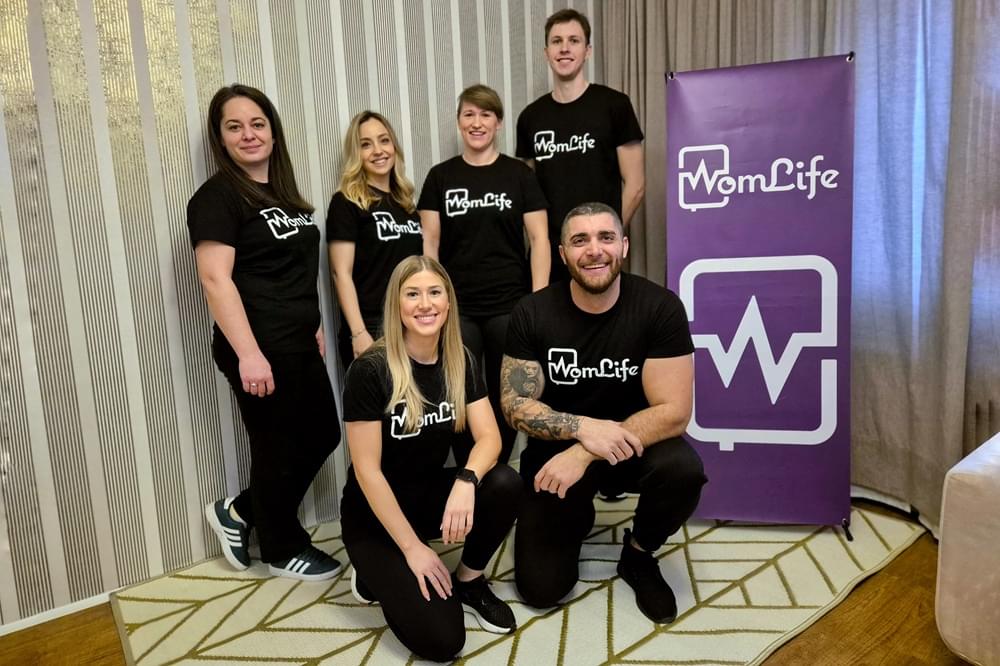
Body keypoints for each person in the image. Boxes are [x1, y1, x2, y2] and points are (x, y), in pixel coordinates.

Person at [500, 202, 707, 623]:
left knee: (683, 469)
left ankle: (639, 554)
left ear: (624, 246)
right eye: (580, 240)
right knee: (541, 590)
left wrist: (587, 450)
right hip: (556, 453)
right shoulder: (532, 312)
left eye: (606, 237)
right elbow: (515, 405)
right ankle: (576, 513)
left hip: (633, 446)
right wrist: (581, 430)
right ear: (563, 254)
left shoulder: (660, 307)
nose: (594, 250)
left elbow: (675, 412)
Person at [190, 84, 342, 581]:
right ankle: (281, 547)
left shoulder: (284, 196)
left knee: (322, 433)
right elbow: (215, 280)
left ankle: (240, 511)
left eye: (257, 124)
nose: (248, 134)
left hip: (296, 341)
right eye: (234, 127)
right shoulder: (216, 197)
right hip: (258, 345)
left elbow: (295, 268)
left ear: (273, 133)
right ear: (221, 138)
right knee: (276, 448)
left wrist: (314, 324)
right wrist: (248, 354)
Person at [340, 256, 522, 662]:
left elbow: (490, 438)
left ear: (448, 301)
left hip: (425, 497)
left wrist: (466, 481)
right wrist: (412, 549)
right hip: (373, 516)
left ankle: (469, 581)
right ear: (397, 304)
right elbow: (367, 472)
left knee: (505, 482)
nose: (425, 304)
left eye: (435, 292)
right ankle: (372, 572)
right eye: (413, 294)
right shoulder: (370, 370)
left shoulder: (460, 360)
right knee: (444, 641)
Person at [419, 84, 550, 464]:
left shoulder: (519, 174)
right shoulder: (440, 177)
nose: (477, 123)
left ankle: (495, 470)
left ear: (498, 122)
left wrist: (537, 302)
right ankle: (470, 470)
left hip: (510, 305)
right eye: (469, 115)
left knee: (505, 392)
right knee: (460, 390)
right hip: (458, 306)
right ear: (459, 122)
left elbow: (540, 239)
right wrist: (433, 299)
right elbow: (430, 243)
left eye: (486, 114)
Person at [516, 8, 645, 284]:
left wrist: (605, 236)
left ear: (587, 51)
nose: (564, 48)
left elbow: (635, 185)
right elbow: (527, 195)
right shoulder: (530, 117)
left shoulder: (614, 105)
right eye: (557, 41)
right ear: (546, 52)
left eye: (573, 41)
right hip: (551, 254)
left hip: (599, 255)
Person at [328, 111, 422, 368]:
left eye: (384, 140)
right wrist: (358, 332)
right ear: (356, 154)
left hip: (408, 322)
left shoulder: (406, 204)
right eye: (366, 144)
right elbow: (340, 273)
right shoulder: (346, 202)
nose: (378, 151)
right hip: (371, 326)